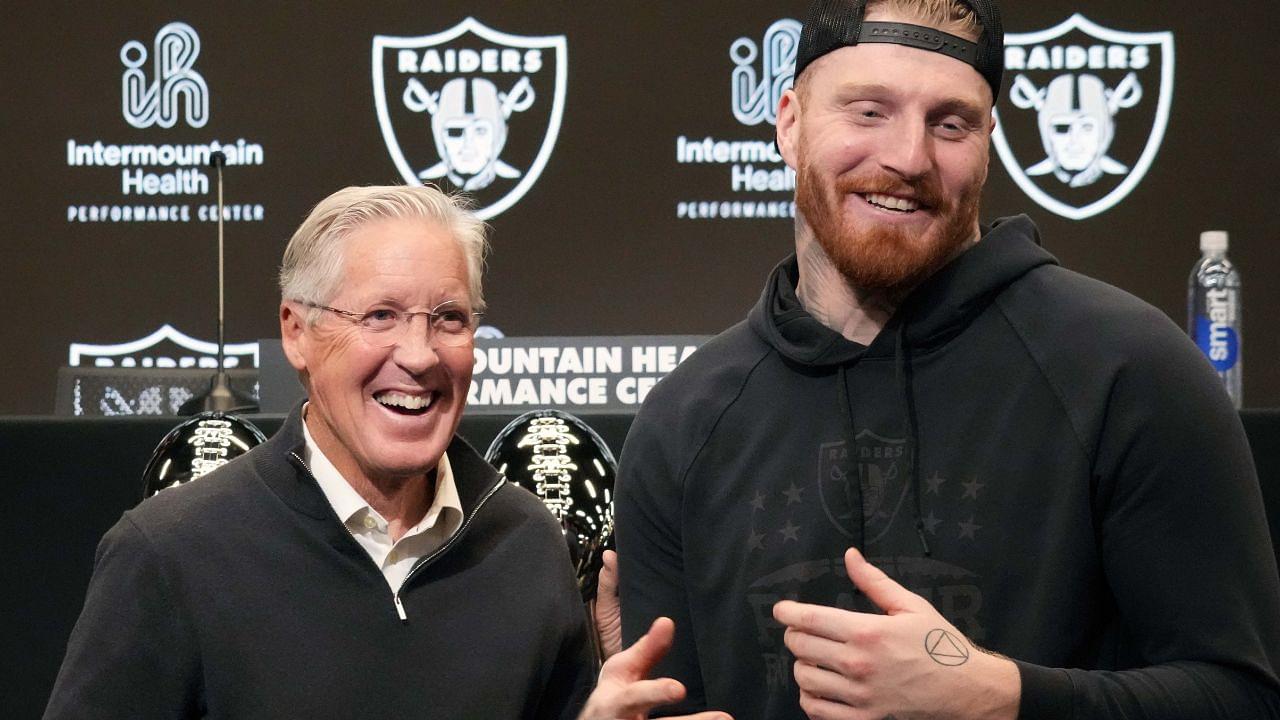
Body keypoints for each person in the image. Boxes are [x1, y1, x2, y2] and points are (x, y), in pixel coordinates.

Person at [613, 1, 1280, 718]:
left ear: (989, 142)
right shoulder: (684, 422)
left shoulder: (1131, 372)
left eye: (950, 122)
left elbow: (1242, 696)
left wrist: (1002, 698)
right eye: (869, 111)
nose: (908, 157)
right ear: (789, 124)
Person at [43, 185, 713, 720]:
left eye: (449, 318)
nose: (419, 355)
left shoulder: (526, 544)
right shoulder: (170, 553)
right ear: (297, 333)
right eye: (379, 316)